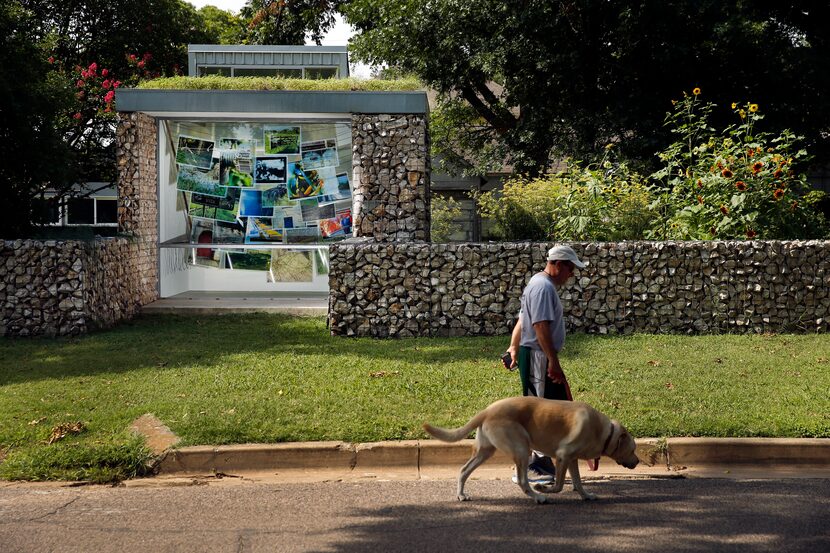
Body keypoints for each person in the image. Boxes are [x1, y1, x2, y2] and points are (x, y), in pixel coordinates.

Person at [505, 244, 586, 483]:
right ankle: (537, 466)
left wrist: (513, 346)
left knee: (550, 408)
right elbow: (540, 325)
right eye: (570, 269)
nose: (571, 275)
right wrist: (553, 362)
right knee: (542, 412)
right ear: (558, 264)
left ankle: (540, 463)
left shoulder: (538, 283)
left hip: (535, 355)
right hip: (539, 356)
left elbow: (522, 318)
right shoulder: (543, 287)